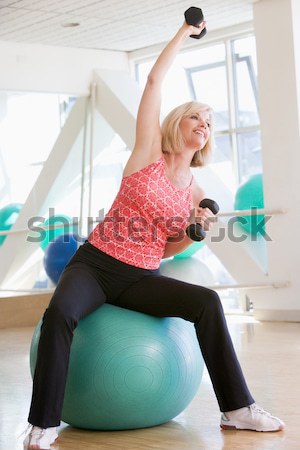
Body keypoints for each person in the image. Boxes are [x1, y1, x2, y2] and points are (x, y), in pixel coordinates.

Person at [23, 18, 285, 450]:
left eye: (210, 121)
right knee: (60, 314)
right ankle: (42, 424)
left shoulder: (195, 191)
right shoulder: (148, 153)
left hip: (141, 276)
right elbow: (153, 82)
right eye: (197, 116)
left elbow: (169, 246)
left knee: (207, 302)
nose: (204, 122)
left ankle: (237, 408)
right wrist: (186, 32)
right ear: (179, 123)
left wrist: (195, 230)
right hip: (97, 264)